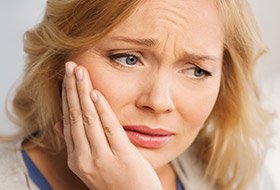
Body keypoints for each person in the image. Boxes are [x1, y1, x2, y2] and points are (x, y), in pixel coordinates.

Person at [0, 0, 275, 189]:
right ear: (58, 60)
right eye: (128, 58)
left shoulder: (237, 177)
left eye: (196, 70)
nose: (158, 101)